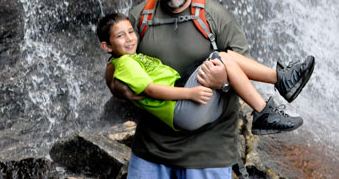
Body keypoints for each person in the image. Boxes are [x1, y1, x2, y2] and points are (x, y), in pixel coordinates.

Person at [104, 0, 315, 179]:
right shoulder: (139, 17)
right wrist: (113, 82)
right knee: (223, 59)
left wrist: (224, 82)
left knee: (225, 59)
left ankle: (275, 91)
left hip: (207, 153)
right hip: (152, 152)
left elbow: (242, 66)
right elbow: (116, 60)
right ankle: (278, 87)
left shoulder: (213, 15)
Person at [98, 12, 313, 134]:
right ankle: (268, 103)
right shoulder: (124, 63)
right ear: (107, 47)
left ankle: (280, 83)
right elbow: (152, 90)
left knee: (226, 57)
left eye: (130, 32)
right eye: (120, 36)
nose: (129, 38)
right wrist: (189, 95)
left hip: (195, 113)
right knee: (220, 58)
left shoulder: (132, 58)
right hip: (184, 109)